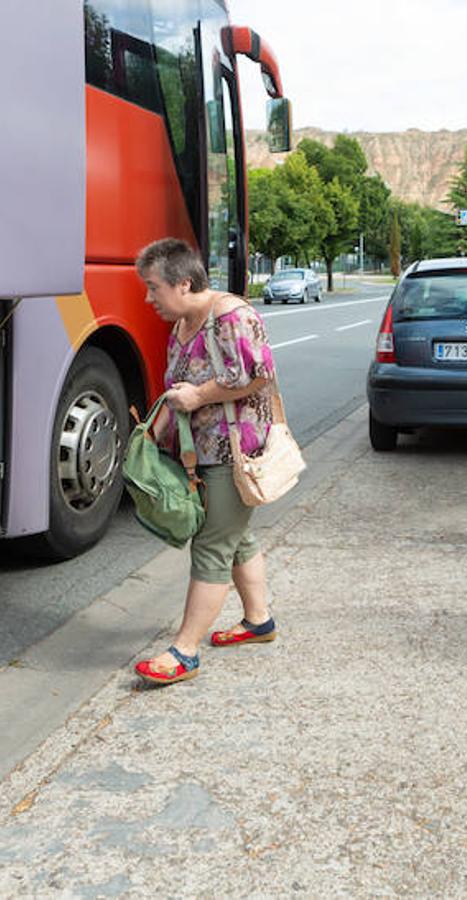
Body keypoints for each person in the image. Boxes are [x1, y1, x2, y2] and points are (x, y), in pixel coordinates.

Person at [130, 238, 280, 685]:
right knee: (235, 537)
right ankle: (258, 622)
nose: (148, 297)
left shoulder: (232, 317)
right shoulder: (183, 322)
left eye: (154, 288)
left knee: (213, 545)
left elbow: (258, 376)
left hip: (234, 453)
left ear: (184, 283)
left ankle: (185, 650)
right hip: (203, 450)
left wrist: (198, 395)